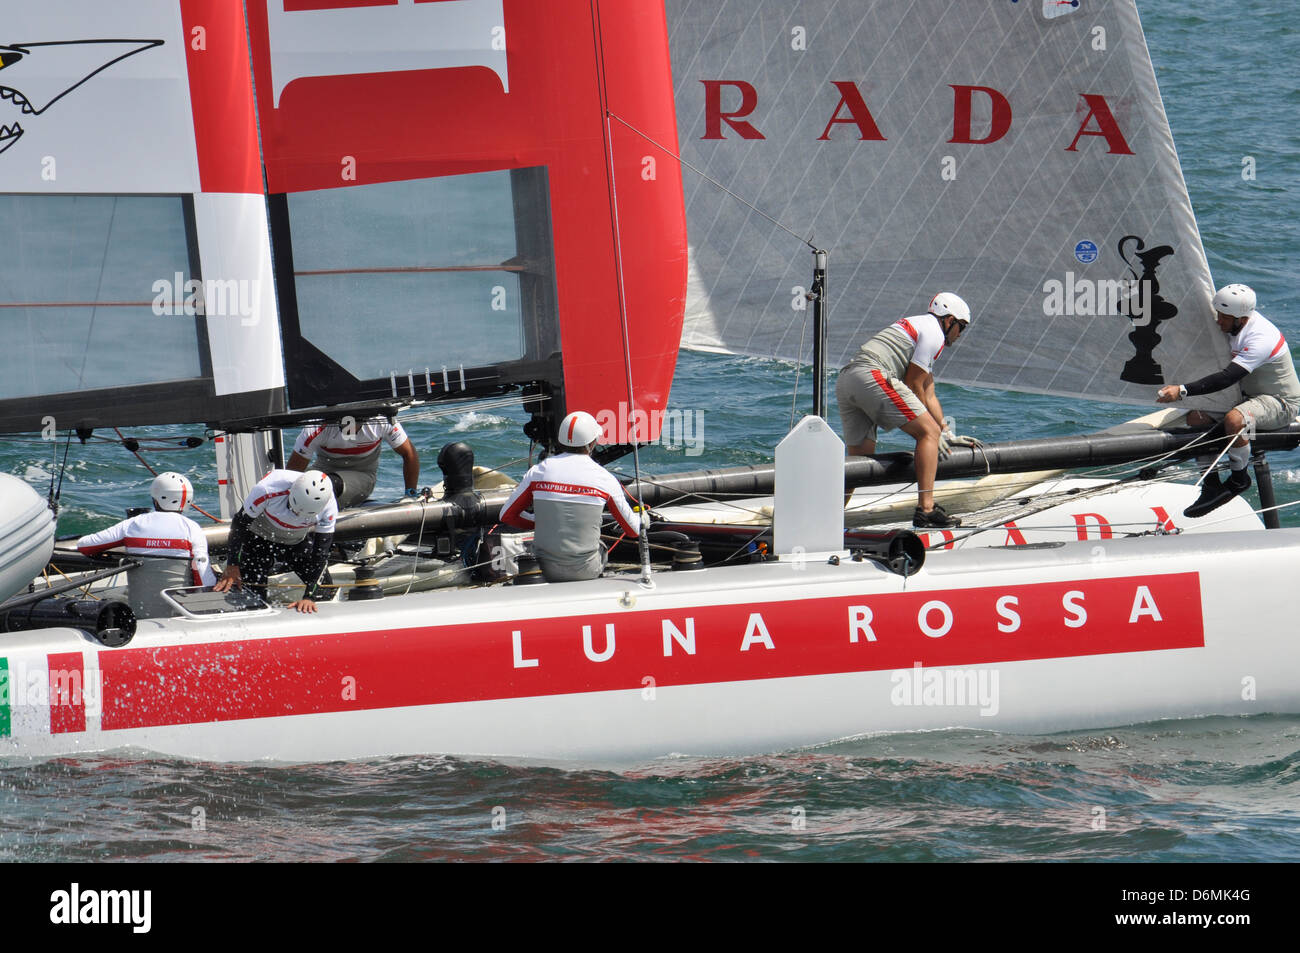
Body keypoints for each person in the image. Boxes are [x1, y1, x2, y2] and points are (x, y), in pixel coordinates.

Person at [836, 292, 981, 528]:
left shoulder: (918, 325)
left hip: (848, 379)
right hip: (871, 375)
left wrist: (947, 432)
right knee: (927, 433)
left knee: (858, 463)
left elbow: (928, 391)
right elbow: (914, 384)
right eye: (961, 327)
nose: (960, 334)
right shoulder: (935, 334)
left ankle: (822, 516)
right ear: (949, 319)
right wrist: (934, 433)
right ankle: (926, 510)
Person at [1157, 283, 1300, 517]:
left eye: (1223, 317)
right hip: (1247, 396)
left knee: (1234, 420)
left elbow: (1227, 378)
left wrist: (1181, 390)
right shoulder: (1235, 324)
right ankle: (1211, 485)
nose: (1218, 322)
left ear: (1241, 319)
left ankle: (1239, 479)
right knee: (1196, 417)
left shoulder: (1260, 337)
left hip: (1281, 403)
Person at [499, 410, 643, 582]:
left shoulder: (539, 471)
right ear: (593, 443)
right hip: (585, 572)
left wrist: (545, 521)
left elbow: (506, 515)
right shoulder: (605, 479)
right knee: (602, 547)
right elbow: (633, 531)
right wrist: (643, 519)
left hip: (542, 569)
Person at [76, 472, 215, 618]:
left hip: (141, 617)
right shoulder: (192, 528)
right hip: (181, 616)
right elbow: (202, 576)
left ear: (155, 499)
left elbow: (85, 545)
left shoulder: (133, 524)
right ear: (188, 499)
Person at [213, 469, 337, 613]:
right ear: (291, 492)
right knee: (253, 598)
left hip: (295, 542)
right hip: (259, 538)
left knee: (325, 589)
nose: (297, 516)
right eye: (294, 509)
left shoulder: (329, 506)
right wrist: (233, 564)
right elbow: (239, 525)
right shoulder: (268, 488)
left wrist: (309, 597)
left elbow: (320, 553)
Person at [287, 417, 420, 508]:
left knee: (324, 486)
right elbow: (291, 474)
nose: (350, 428)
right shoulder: (315, 428)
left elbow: (409, 454)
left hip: (362, 474)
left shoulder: (382, 421)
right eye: (345, 421)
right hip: (324, 469)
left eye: (355, 423)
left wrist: (410, 494)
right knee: (300, 486)